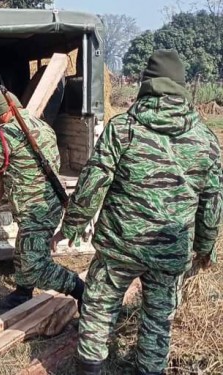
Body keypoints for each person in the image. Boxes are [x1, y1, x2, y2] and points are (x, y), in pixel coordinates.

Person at [50, 50, 223, 375]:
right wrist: (205, 247)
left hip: (119, 247)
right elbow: (212, 204)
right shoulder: (206, 141)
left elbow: (92, 182)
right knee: (158, 321)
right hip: (169, 252)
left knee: (99, 308)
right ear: (181, 88)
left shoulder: (123, 129)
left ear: (147, 85)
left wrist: (71, 226)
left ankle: (91, 368)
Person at [0, 89, 84, 312]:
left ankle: (81, 290)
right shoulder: (43, 126)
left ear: (1, 115)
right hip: (49, 203)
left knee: (36, 265)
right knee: (24, 249)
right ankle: (22, 294)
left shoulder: (8, 133)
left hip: (34, 210)